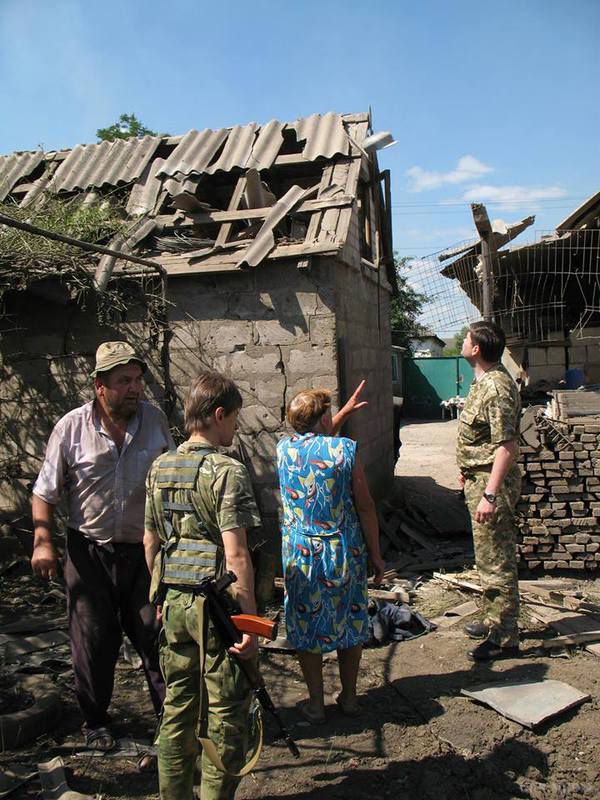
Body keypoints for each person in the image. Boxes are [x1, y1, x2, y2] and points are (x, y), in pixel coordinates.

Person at [31, 341, 173, 750]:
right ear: (99, 386)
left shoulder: (155, 420)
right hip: (88, 551)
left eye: (138, 380)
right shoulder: (71, 428)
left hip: (144, 551)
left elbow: (170, 481)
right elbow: (45, 492)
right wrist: (43, 540)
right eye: (123, 381)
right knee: (92, 639)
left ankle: (169, 722)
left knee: (155, 633)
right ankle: (95, 723)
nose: (135, 388)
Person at [143, 370, 262, 800]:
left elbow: (151, 541)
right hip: (217, 610)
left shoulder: (160, 466)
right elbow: (237, 555)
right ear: (217, 414)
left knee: (177, 709)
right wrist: (248, 624)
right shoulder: (226, 471)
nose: (235, 428)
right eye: (234, 419)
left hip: (173, 602)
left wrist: (159, 598)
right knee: (226, 713)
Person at [277, 383, 385, 724]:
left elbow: (315, 443)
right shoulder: (345, 451)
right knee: (350, 617)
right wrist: (377, 555)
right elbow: (365, 506)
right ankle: (350, 698)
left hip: (301, 553)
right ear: (324, 419)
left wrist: (339, 415)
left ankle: (316, 704)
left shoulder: (284, 450)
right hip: (342, 550)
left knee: (307, 622)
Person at [457, 321, 522, 662]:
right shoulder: (483, 382)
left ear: (476, 348)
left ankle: (504, 637)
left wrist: (491, 493)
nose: (462, 344)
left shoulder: (495, 388)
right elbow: (482, 439)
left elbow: (507, 446)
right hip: (479, 478)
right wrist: (467, 470)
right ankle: (494, 618)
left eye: (465, 339)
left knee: (497, 560)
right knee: (488, 558)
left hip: (490, 485)